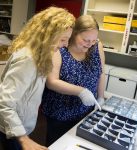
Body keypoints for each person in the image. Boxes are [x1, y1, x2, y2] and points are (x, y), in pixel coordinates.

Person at [0, 6, 75, 150]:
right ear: (48, 35)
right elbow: (5, 103)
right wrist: (23, 139)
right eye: (63, 39)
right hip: (13, 130)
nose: (65, 45)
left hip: (22, 125)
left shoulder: (41, 54)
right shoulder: (27, 59)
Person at [41, 14, 105, 146]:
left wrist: (101, 97)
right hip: (60, 113)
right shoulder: (60, 48)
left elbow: (101, 72)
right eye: (86, 40)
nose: (90, 44)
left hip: (86, 110)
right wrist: (80, 91)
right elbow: (51, 82)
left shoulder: (96, 46)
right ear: (74, 34)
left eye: (93, 40)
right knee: (59, 145)